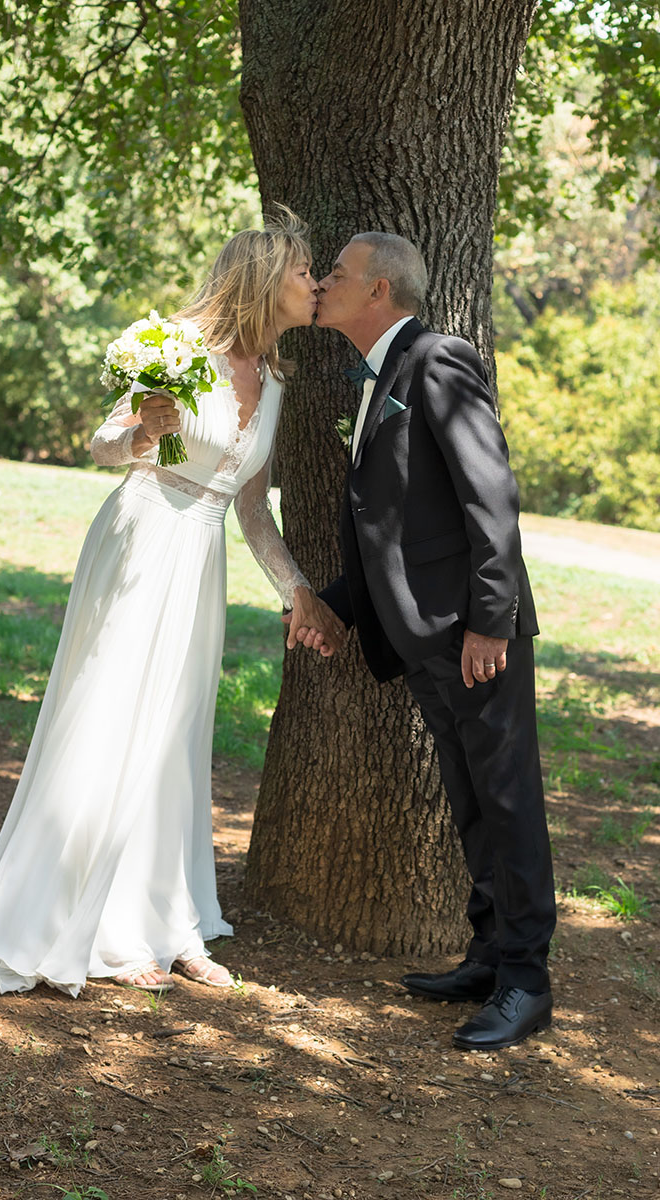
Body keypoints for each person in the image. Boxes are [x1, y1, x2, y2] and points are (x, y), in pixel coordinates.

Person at [0, 209, 337, 996]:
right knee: (113, 713)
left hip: (201, 556)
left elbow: (250, 509)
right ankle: (97, 921)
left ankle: (167, 918)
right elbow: (109, 449)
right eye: (300, 272)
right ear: (261, 278)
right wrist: (146, 432)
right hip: (144, 535)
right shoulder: (182, 349)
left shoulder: (277, 380)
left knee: (175, 733)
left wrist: (300, 596)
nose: (312, 284)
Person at [291, 231, 556, 1051]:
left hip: (474, 635)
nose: (324, 282)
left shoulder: (438, 359)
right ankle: (487, 955)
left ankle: (527, 981)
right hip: (426, 639)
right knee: (471, 801)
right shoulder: (374, 378)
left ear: (380, 292)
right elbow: (391, 528)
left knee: (507, 801)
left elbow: (491, 498)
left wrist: (490, 621)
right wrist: (334, 605)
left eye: (338, 273)